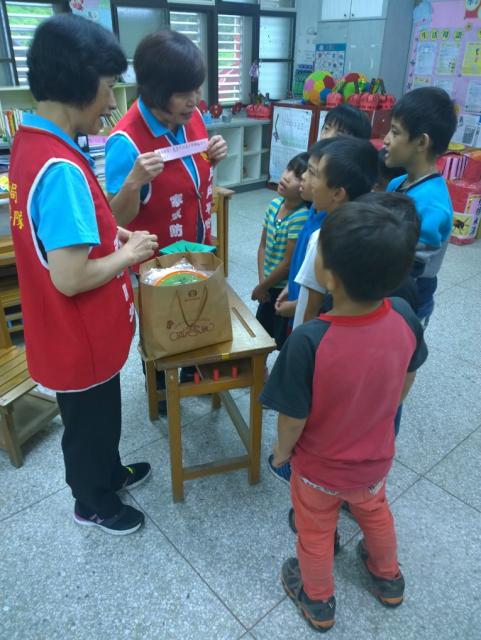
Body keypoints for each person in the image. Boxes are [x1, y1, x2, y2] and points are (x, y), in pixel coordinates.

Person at [9, 14, 159, 535]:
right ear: (81, 81)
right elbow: (70, 277)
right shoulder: (62, 169)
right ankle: (92, 502)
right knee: (88, 426)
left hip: (66, 333)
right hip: (79, 335)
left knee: (100, 417)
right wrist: (130, 251)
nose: (112, 101)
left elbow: (65, 235)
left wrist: (112, 234)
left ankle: (109, 473)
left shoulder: (32, 142)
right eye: (109, 86)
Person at [261, 202, 428, 631]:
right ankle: (388, 577)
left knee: (316, 531)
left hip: (320, 469)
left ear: (330, 277)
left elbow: (292, 419)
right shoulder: (406, 316)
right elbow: (407, 375)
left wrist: (281, 453)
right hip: (375, 458)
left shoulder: (308, 341)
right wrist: (381, 413)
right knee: (375, 512)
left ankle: (317, 599)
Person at [105, 30, 227, 259]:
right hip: (154, 265)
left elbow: (188, 175)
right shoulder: (125, 142)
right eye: (182, 94)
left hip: (197, 249)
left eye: (196, 89)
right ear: (154, 90)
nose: (194, 101)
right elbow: (111, 222)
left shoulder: (192, 116)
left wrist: (213, 156)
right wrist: (133, 183)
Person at [275, 106, 373, 321]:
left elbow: (321, 296)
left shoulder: (333, 224)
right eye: (326, 128)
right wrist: (293, 285)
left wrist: (298, 304)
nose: (328, 137)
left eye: (340, 135)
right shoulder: (317, 203)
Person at [384, 86, 457, 325]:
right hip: (385, 291)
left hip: (409, 302)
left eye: (395, 132)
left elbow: (411, 266)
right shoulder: (396, 183)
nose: (386, 139)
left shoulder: (432, 204)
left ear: (421, 142)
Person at [292, 137, 379, 330]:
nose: (305, 177)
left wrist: (302, 341)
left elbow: (311, 306)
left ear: (338, 194)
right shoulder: (362, 231)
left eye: (314, 173)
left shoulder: (322, 239)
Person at [252, 153, 310, 349]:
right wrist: (262, 283)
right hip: (267, 284)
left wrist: (263, 287)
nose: (286, 177)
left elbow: (287, 264)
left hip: (282, 289)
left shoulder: (300, 216)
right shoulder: (274, 204)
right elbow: (262, 246)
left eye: (297, 176)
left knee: (280, 339)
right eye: (289, 169)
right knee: (261, 334)